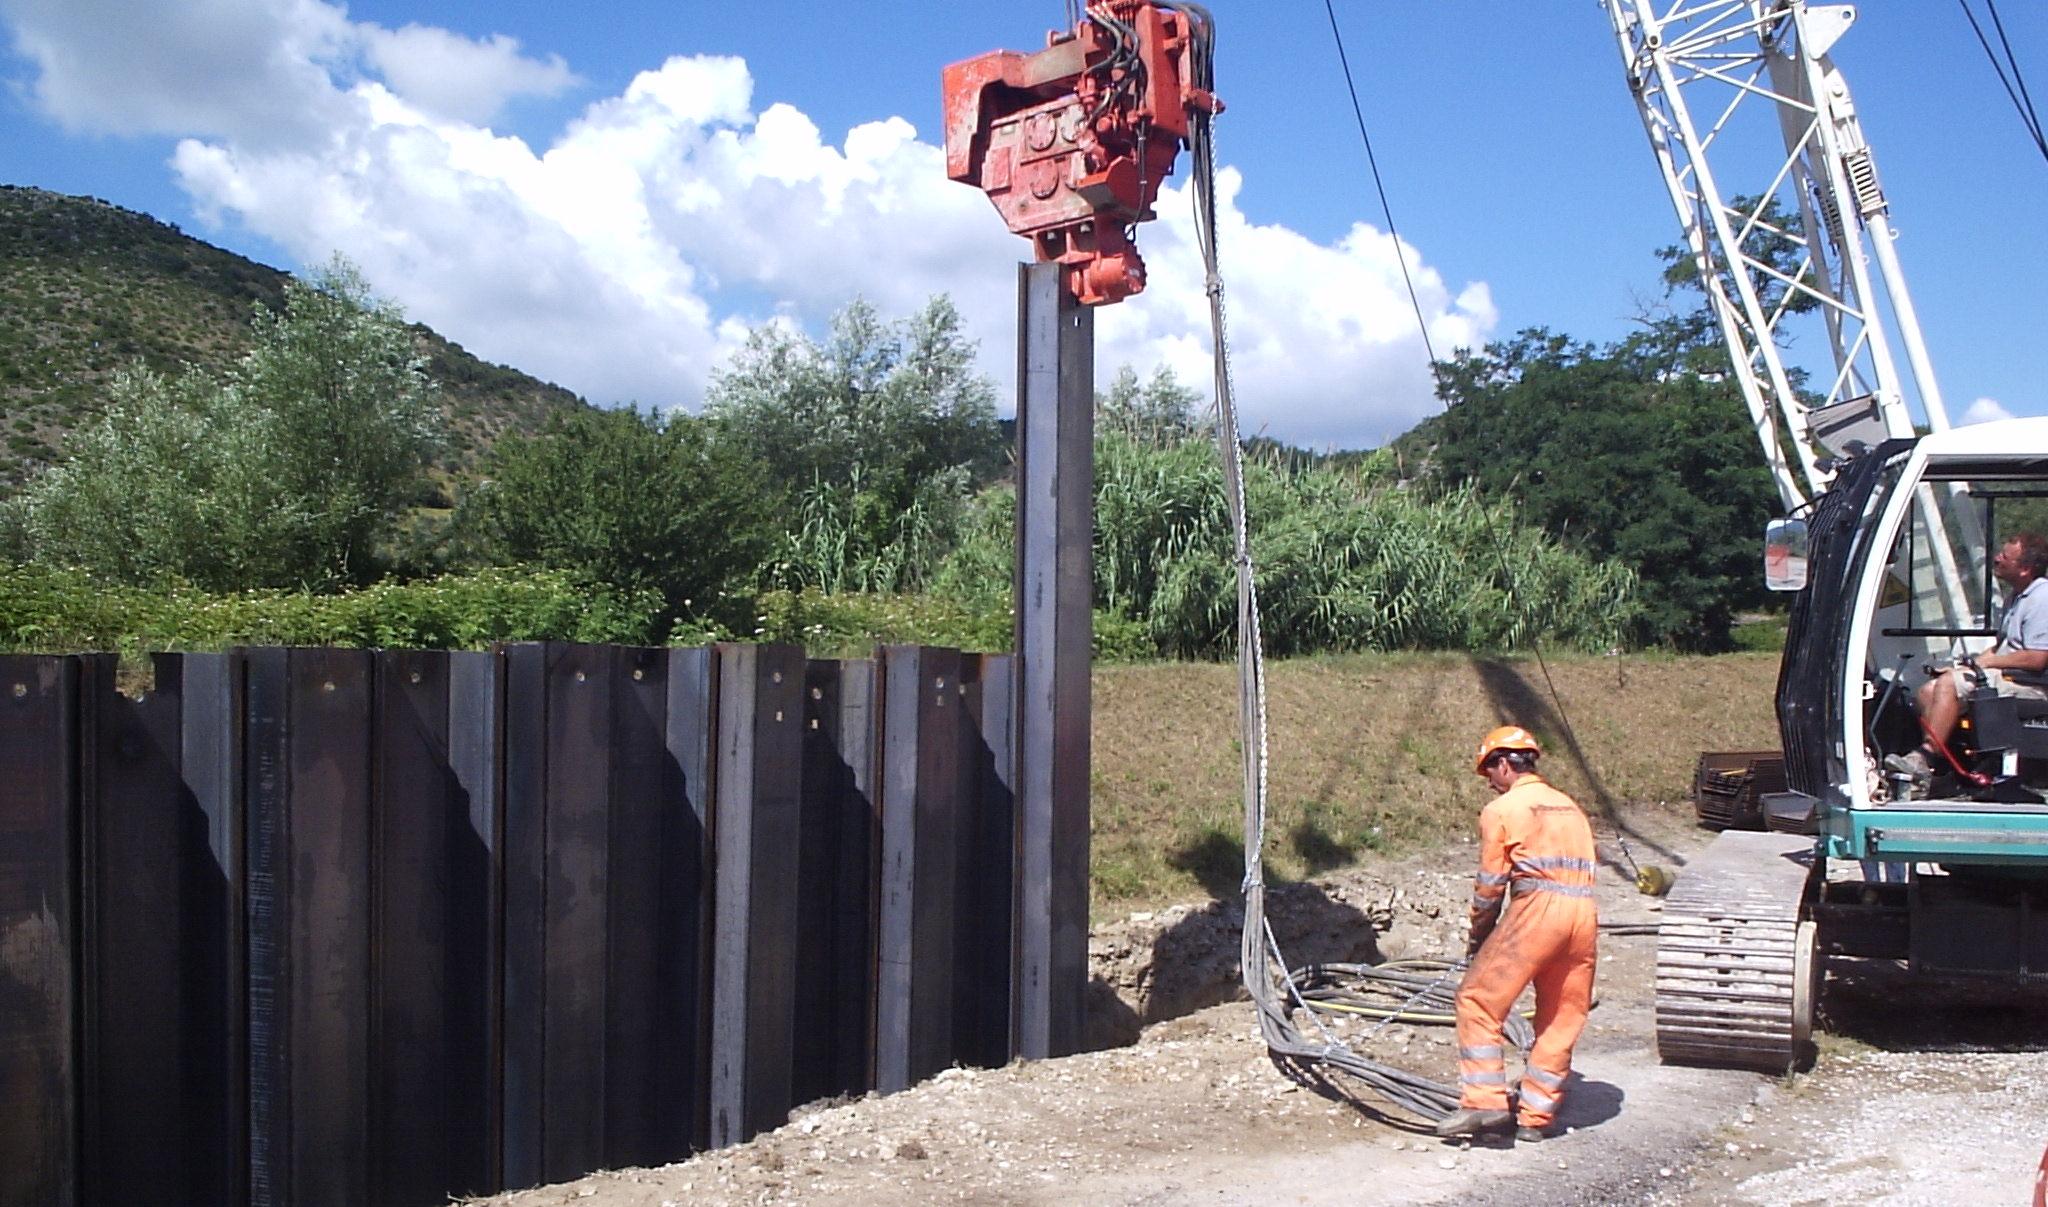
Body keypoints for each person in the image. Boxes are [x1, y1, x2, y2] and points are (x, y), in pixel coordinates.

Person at [1435, 726, 1599, 1143]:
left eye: (1489, 773)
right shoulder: (1569, 807)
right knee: (1562, 1017)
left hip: (1538, 910)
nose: (1489, 783)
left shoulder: (1504, 810)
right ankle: (1535, 1120)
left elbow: (1491, 884)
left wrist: (1479, 939)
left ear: (1504, 764)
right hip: (1584, 915)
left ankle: (1484, 1102)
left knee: (1476, 999)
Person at [1888, 532, 2048, 786]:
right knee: (1928, 691)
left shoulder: (2042, 599)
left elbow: (2038, 658)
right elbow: (1999, 648)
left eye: (2005, 557)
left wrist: (1986, 665)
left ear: (2025, 569)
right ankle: (1941, 768)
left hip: (2031, 685)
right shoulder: (2015, 598)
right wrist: (1966, 665)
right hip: (2007, 675)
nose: (1996, 559)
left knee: (1950, 685)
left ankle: (1926, 755)